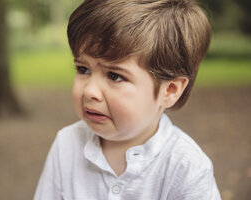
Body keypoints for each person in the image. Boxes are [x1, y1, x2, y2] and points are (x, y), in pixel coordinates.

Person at [34, 0, 221, 199]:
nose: (90, 91)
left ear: (170, 90)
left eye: (115, 76)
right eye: (83, 69)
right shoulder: (67, 144)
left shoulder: (186, 166)